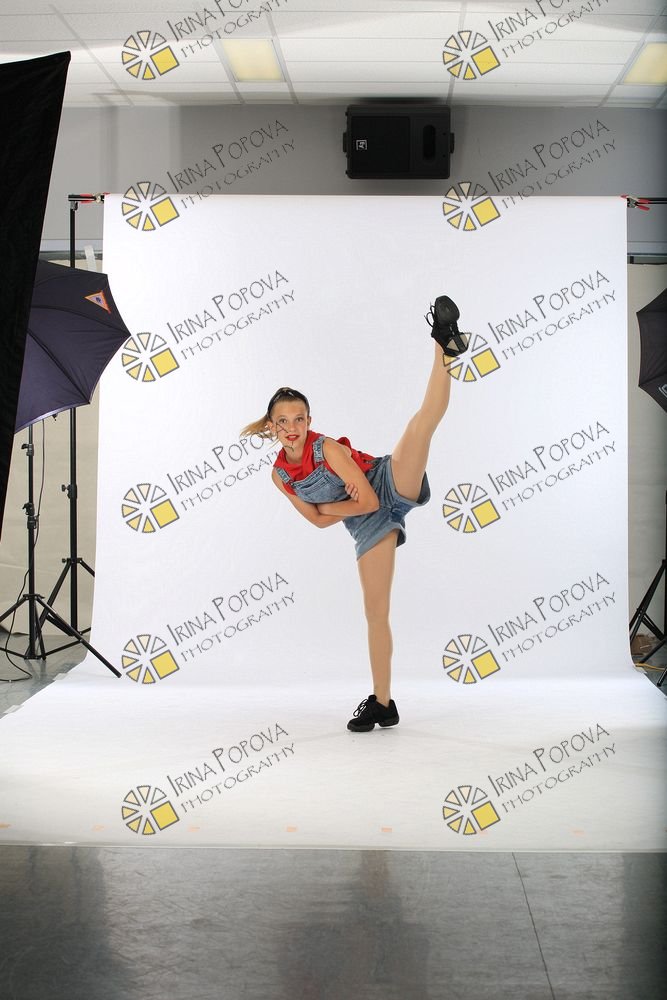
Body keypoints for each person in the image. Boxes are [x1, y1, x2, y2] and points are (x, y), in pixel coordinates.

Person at [240, 295, 469, 733]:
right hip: (366, 527)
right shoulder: (279, 476)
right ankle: (383, 703)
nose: (292, 428)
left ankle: (443, 344)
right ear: (272, 426)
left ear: (309, 421)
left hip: (386, 481)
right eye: (283, 421)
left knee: (421, 426)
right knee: (376, 613)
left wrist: (329, 506)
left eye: (299, 419)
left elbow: (365, 500)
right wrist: (335, 507)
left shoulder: (328, 449)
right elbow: (318, 521)